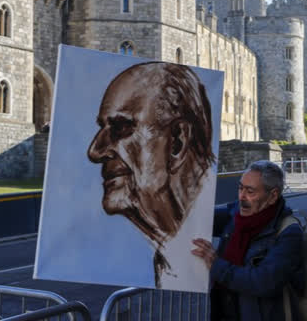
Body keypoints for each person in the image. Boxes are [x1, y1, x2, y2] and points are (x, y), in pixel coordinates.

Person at [87, 61, 214, 288]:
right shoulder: (166, 253)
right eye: (101, 129)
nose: (94, 152)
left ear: (177, 142)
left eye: (121, 127)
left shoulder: (220, 236)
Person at [192, 161, 305, 320]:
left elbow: (264, 282)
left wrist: (217, 265)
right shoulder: (235, 216)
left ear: (273, 196)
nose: (241, 197)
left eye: (250, 191)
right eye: (240, 188)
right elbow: (199, 217)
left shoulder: (289, 233)